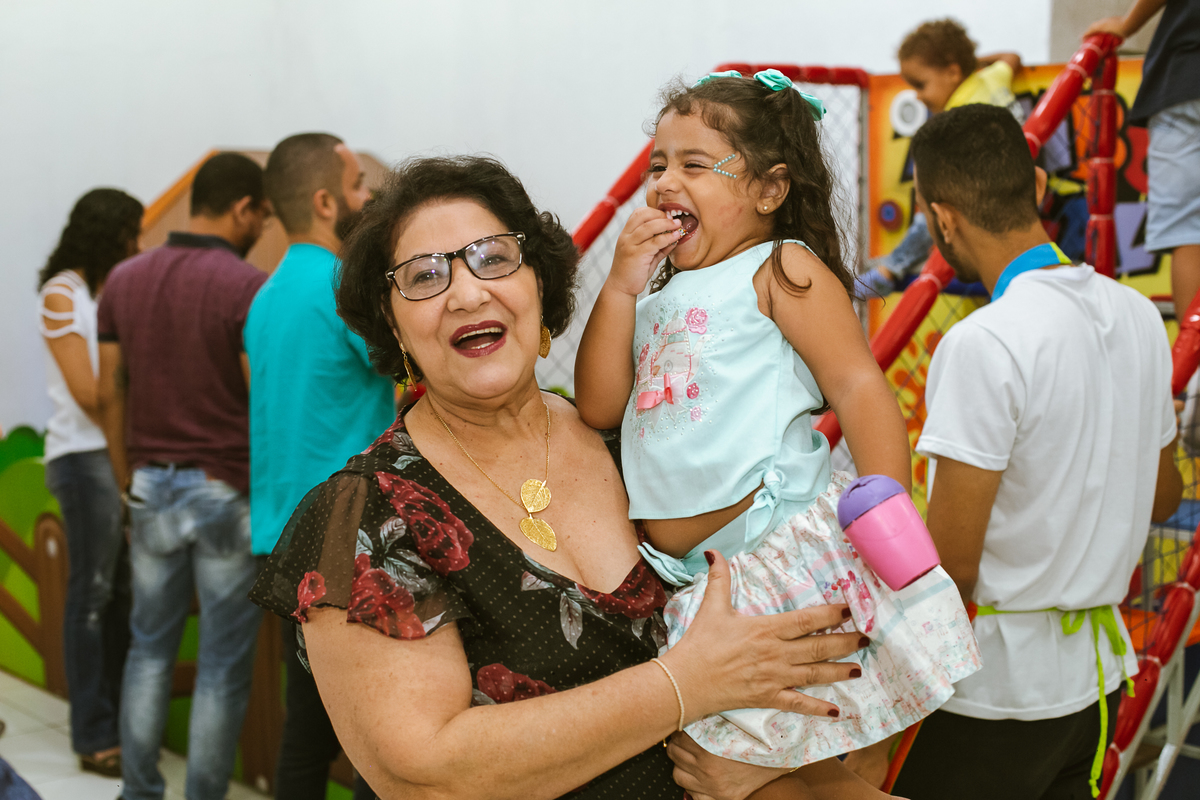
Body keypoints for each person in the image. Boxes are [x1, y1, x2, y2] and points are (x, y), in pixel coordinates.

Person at [249, 155, 875, 800]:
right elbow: (424, 773)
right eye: (424, 277)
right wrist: (684, 686)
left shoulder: (643, 440)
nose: (467, 293)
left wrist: (778, 765)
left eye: (493, 258)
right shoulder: (366, 517)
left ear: (540, 288)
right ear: (392, 324)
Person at [574, 70, 979, 791]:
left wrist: (887, 497)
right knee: (742, 767)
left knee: (795, 764)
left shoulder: (778, 268)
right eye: (658, 165)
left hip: (780, 551)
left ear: (769, 189)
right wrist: (618, 286)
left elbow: (857, 382)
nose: (667, 181)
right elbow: (600, 406)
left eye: (695, 165)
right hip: (696, 580)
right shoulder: (654, 291)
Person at [891, 104, 1183, 799]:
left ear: (943, 219)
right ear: (1040, 193)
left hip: (991, 692)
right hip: (1094, 683)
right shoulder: (1140, 314)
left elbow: (952, 565)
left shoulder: (983, 341)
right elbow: (1165, 495)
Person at [96, 152, 270, 800]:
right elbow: (261, 399)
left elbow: (113, 389)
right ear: (242, 209)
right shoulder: (246, 286)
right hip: (224, 487)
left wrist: (125, 480)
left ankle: (138, 793)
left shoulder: (124, 281)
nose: (260, 227)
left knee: (147, 649)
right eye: (262, 215)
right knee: (223, 666)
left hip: (149, 485)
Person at [245, 132, 386, 800]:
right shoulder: (342, 289)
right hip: (342, 538)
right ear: (328, 200)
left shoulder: (266, 297)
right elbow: (405, 370)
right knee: (378, 732)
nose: (368, 199)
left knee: (308, 727)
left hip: (277, 539)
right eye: (360, 185)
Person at [37, 188, 142, 777]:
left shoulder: (99, 293)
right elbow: (88, 393)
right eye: (132, 232)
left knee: (119, 594)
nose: (139, 245)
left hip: (108, 457)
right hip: (81, 458)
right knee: (92, 595)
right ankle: (93, 734)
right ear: (109, 233)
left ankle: (118, 723)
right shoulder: (61, 293)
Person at [861, 18, 1024, 297]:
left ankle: (890, 271)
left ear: (952, 72)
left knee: (931, 213)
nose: (918, 96)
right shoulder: (992, 77)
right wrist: (973, 64)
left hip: (989, 196)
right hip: (1015, 190)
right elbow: (1013, 57)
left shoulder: (959, 112)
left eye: (921, 84)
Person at [1086, 1, 1200, 327]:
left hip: (1183, 76)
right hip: (1182, 80)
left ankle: (1194, 365)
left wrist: (1127, 24)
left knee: (1188, 231)